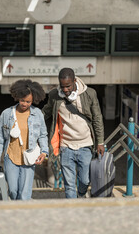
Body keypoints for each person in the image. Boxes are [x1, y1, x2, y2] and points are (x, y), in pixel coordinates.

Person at [42, 68, 105, 198]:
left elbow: (97, 118)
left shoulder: (90, 94)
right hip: (66, 146)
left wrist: (100, 142)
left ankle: (81, 194)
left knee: (85, 181)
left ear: (75, 81)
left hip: (85, 145)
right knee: (69, 184)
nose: (65, 90)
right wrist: (30, 119)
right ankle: (73, 208)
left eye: (68, 86)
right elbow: (46, 112)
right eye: (62, 86)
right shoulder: (54, 95)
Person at [0, 79, 48, 200]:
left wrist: (44, 152)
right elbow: (0, 138)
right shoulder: (6, 114)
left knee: (25, 194)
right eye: (22, 100)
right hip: (11, 157)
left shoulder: (37, 114)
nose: (25, 104)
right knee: (12, 190)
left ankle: (22, 214)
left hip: (29, 158)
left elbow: (43, 135)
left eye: (28, 101)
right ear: (17, 97)